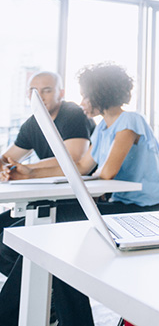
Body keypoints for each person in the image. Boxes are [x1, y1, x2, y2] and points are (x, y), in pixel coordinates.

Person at [0, 63, 159, 326]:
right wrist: (28, 173)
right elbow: (81, 166)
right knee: (48, 236)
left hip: (143, 212)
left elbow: (108, 171)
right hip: (121, 205)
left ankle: (9, 317)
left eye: (85, 95)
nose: (80, 102)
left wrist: (72, 174)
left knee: (51, 228)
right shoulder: (102, 129)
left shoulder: (130, 121)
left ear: (100, 94)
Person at [0, 71, 95, 276]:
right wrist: (6, 167)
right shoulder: (32, 123)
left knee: (7, 243)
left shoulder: (72, 113)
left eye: (47, 90)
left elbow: (73, 158)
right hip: (49, 198)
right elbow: (8, 159)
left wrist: (28, 168)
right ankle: (40, 295)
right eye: (34, 91)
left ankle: (43, 295)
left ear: (60, 92)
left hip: (80, 200)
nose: (40, 95)